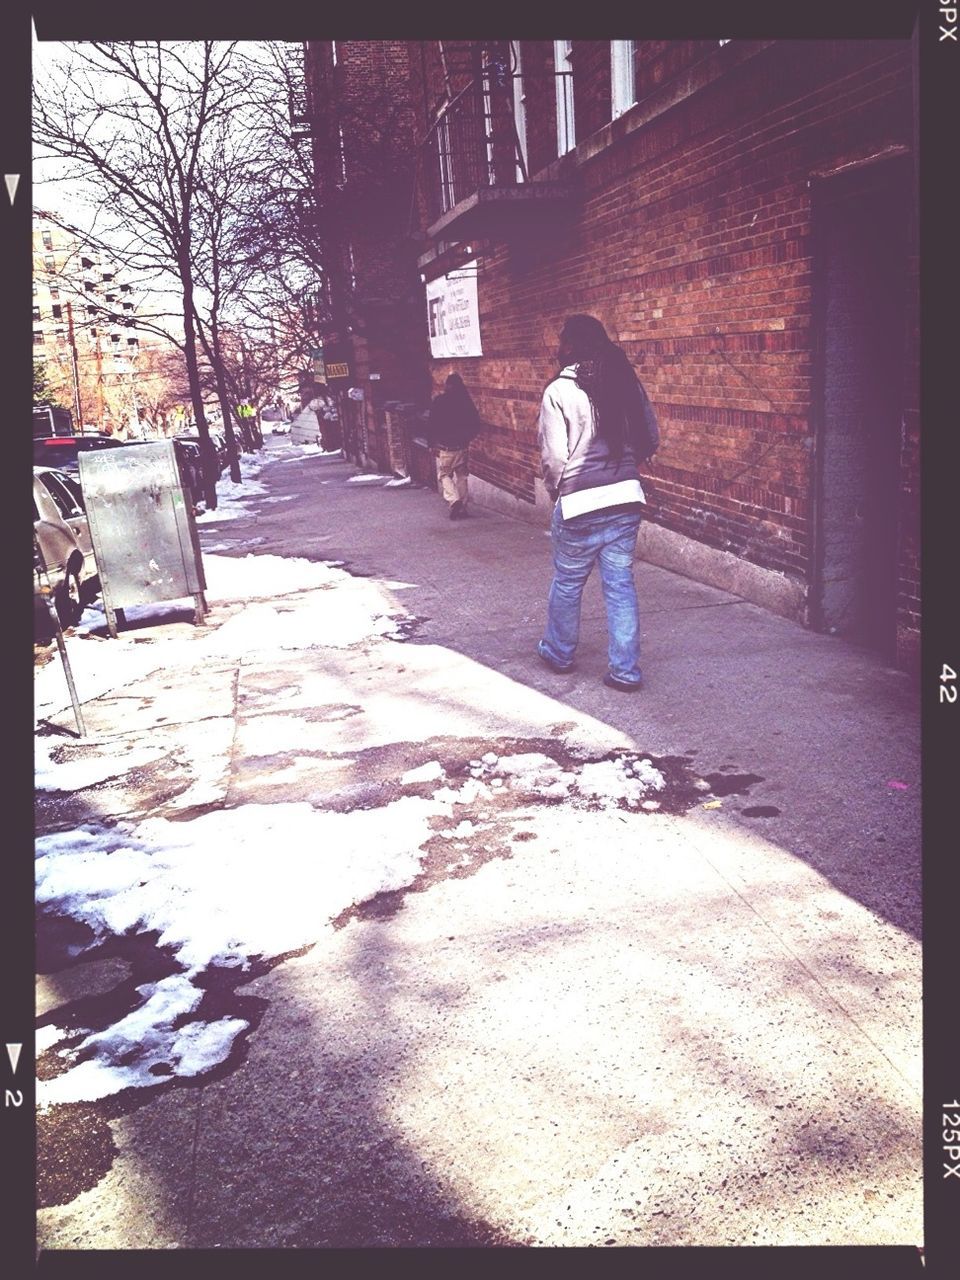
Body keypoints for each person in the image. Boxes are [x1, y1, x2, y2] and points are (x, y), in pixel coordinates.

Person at [537, 314, 660, 692]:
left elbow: (555, 458)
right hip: (626, 500)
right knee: (620, 586)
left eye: (561, 339)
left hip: (579, 504)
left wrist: (557, 490)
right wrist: (621, 470)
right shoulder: (624, 381)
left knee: (569, 582)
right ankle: (625, 671)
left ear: (570, 345)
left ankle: (559, 653)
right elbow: (650, 436)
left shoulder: (558, 391)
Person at [427, 373, 482, 519]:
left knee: (444, 475)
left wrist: (431, 443)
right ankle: (462, 507)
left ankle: (453, 499)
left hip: (446, 447)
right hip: (462, 447)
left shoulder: (439, 401)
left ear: (447, 386)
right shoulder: (466, 402)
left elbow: (431, 424)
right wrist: (467, 438)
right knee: (462, 476)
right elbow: (476, 423)